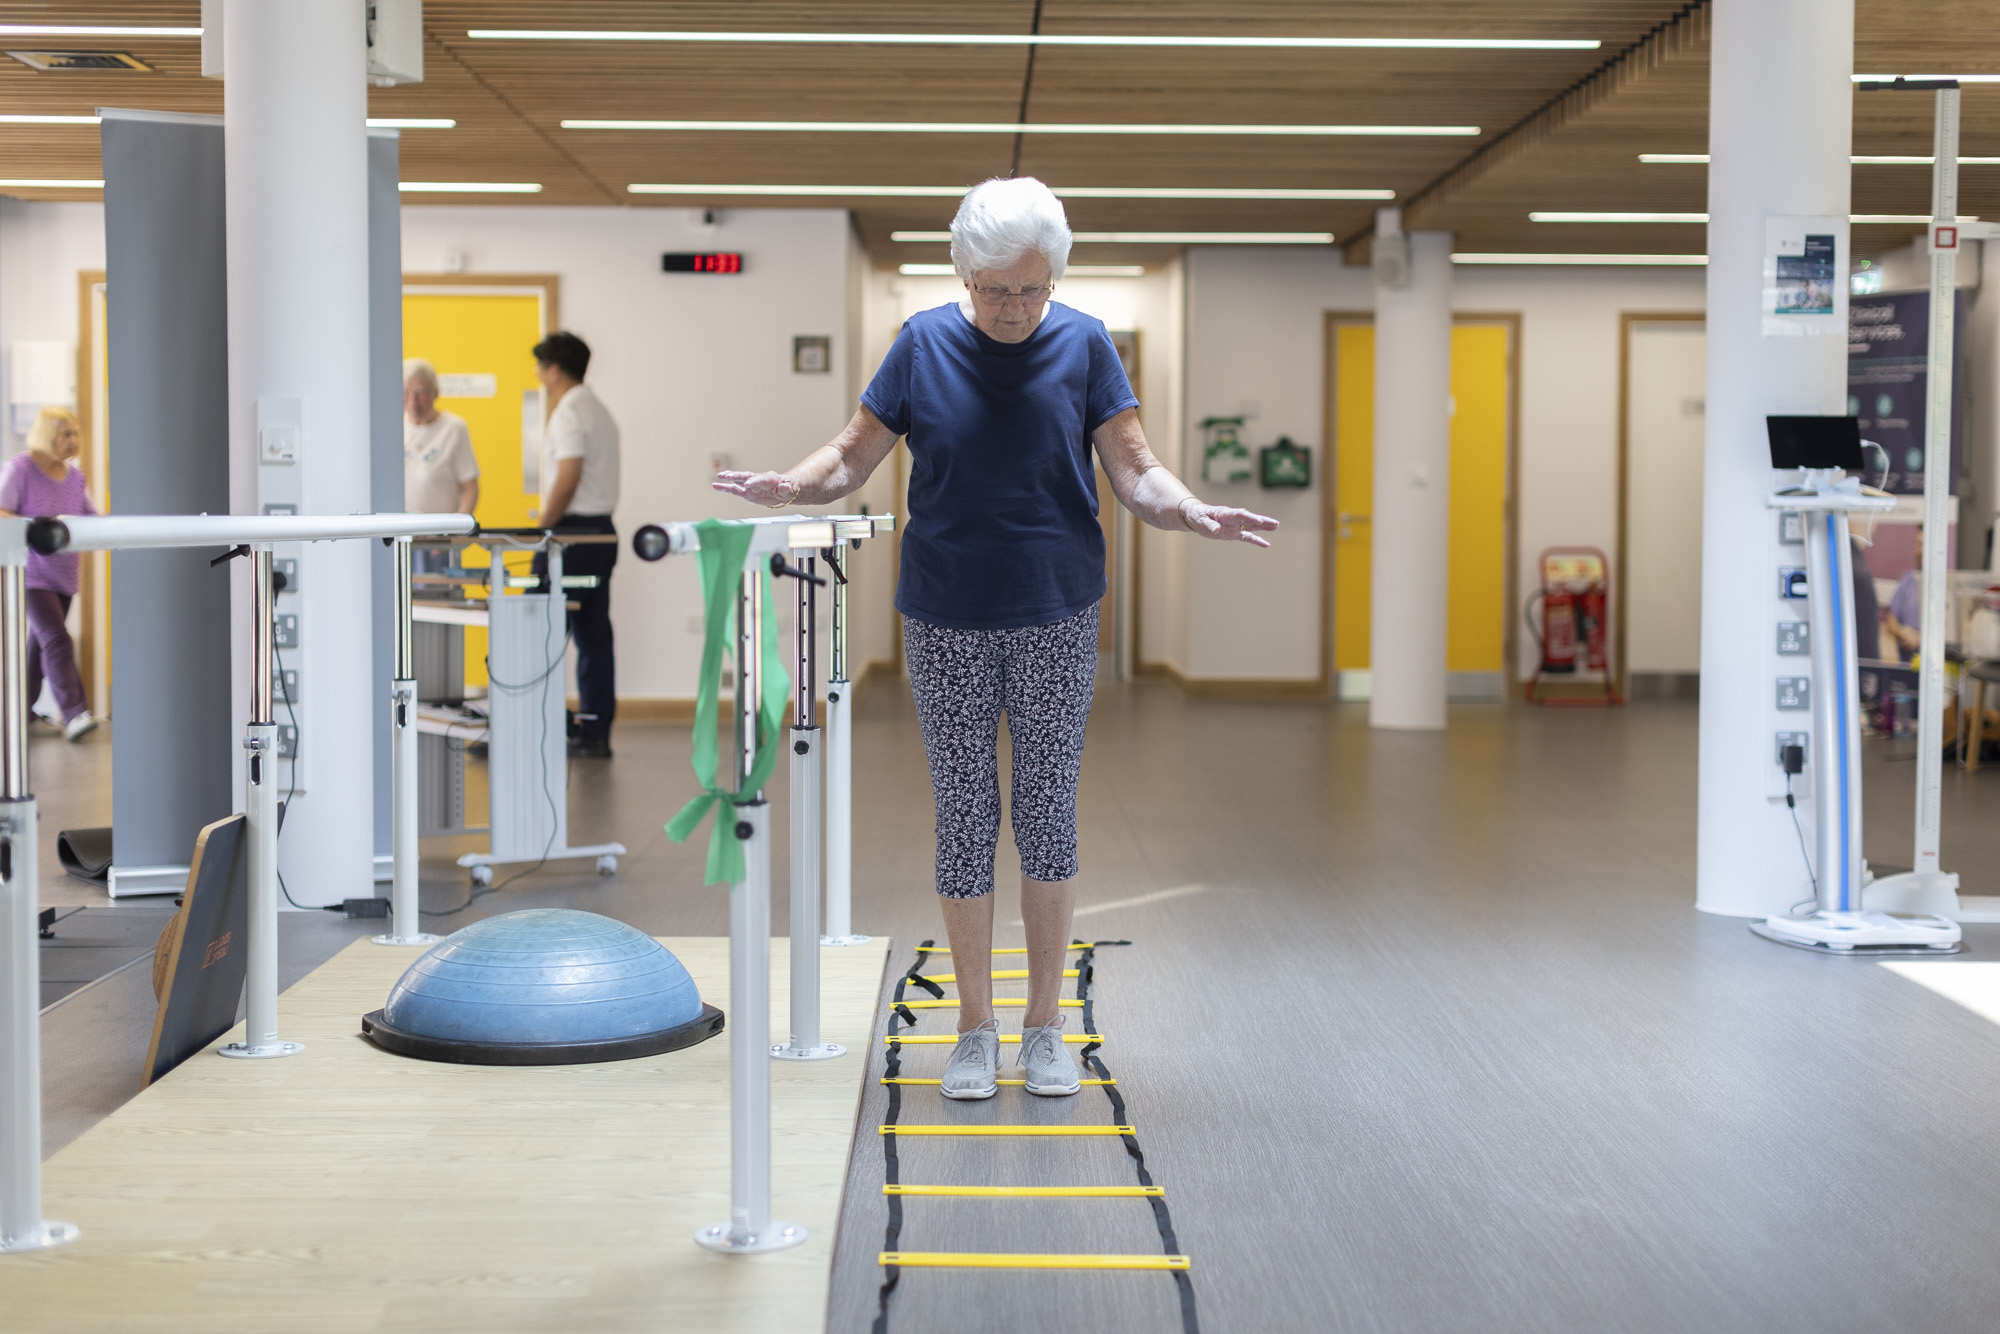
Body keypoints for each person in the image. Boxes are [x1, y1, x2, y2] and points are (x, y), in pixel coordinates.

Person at [714, 177, 1277, 1101]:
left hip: (1057, 608)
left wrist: (1188, 512)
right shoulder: (922, 342)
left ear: (1053, 275)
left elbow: (1134, 471)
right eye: (995, 291)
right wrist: (795, 484)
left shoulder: (1086, 342)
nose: (1014, 309)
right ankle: (975, 1028)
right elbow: (853, 453)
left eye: (1031, 289)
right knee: (965, 816)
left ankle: (1045, 1027)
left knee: (1048, 817)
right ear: (963, 275)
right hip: (944, 612)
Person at [531, 330, 621, 758]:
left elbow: (568, 476)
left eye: (540, 370)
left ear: (552, 370)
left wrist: (539, 531)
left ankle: (533, 728)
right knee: (593, 636)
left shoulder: (568, 411)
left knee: (540, 633)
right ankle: (595, 731)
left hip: (570, 536)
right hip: (602, 533)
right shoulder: (599, 410)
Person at [0, 406, 99, 741]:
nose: (73, 440)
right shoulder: (20, 469)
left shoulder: (75, 477)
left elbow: (90, 516)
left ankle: (18, 714)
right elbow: (1, 510)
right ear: (47, 434)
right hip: (31, 574)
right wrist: (35, 527)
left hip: (64, 574)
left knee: (39, 646)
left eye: (75, 433)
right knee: (57, 638)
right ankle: (74, 712)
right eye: (65, 433)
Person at [403, 358, 479, 515]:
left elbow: (470, 488)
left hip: (441, 534)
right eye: (406, 391)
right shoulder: (392, 428)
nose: (413, 400)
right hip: (402, 534)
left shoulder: (453, 428)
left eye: (420, 391)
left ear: (435, 392)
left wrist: (457, 529)